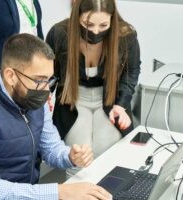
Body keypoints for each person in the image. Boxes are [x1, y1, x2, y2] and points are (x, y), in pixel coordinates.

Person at [0, 33, 112, 200]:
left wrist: (70, 156)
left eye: (49, 79)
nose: (46, 89)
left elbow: (51, 148)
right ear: (11, 76)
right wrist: (60, 192)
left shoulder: (32, 96)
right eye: (39, 80)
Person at [46, 0, 141, 176]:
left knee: (108, 157)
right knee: (80, 161)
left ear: (112, 19)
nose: (96, 31)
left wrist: (121, 104)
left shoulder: (126, 35)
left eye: (104, 25)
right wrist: (43, 96)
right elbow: (49, 73)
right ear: (77, 16)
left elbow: (131, 72)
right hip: (72, 101)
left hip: (110, 101)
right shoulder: (59, 33)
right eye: (88, 24)